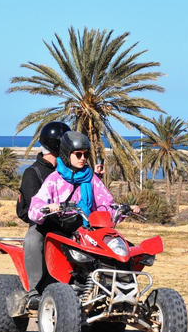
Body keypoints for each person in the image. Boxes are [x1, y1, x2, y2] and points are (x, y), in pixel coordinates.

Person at [26, 130, 140, 309]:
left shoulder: (92, 179)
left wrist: (123, 209)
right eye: (78, 154)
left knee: (125, 250)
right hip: (61, 226)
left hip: (87, 229)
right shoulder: (54, 179)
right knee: (34, 238)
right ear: (66, 154)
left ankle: (118, 291)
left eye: (85, 155)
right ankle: (34, 292)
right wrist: (48, 207)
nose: (83, 158)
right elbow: (36, 205)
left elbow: (106, 204)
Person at [18, 121, 71, 310]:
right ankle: (34, 291)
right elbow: (33, 207)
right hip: (43, 224)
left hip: (70, 222)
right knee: (33, 238)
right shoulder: (33, 173)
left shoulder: (69, 172)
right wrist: (51, 209)